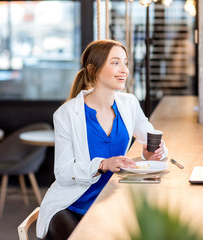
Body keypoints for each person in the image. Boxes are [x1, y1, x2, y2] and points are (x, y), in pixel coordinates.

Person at [36, 39, 168, 240]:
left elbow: (149, 139)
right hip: (71, 206)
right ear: (92, 69)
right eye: (115, 62)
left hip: (110, 200)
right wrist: (103, 164)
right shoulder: (66, 114)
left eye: (125, 62)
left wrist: (153, 153)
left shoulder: (129, 103)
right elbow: (62, 173)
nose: (124, 69)